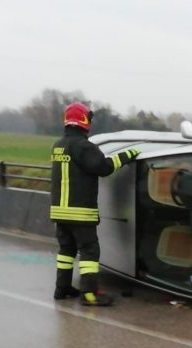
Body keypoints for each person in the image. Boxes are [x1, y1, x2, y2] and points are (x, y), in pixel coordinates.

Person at [50, 102, 140, 306]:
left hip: (59, 213)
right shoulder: (84, 147)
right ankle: (89, 294)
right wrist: (128, 155)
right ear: (84, 121)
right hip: (80, 213)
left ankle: (62, 288)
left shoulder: (58, 145)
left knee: (66, 252)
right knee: (89, 251)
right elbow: (104, 167)